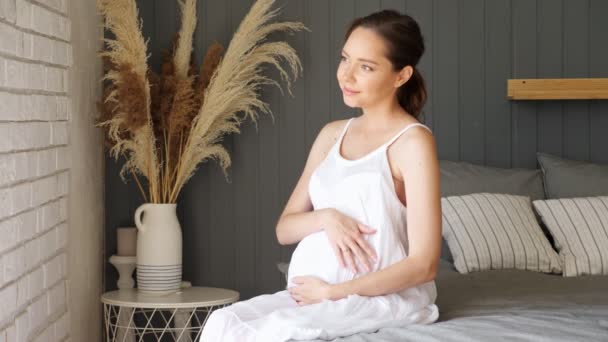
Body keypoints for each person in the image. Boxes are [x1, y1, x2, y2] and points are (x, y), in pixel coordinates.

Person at [199, 9, 442, 342]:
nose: (347, 75)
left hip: (374, 298)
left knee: (271, 334)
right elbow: (285, 229)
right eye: (345, 59)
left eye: (366, 67)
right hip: (313, 294)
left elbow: (424, 264)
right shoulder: (332, 134)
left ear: (401, 76)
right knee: (221, 323)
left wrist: (335, 292)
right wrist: (327, 218)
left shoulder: (412, 141)